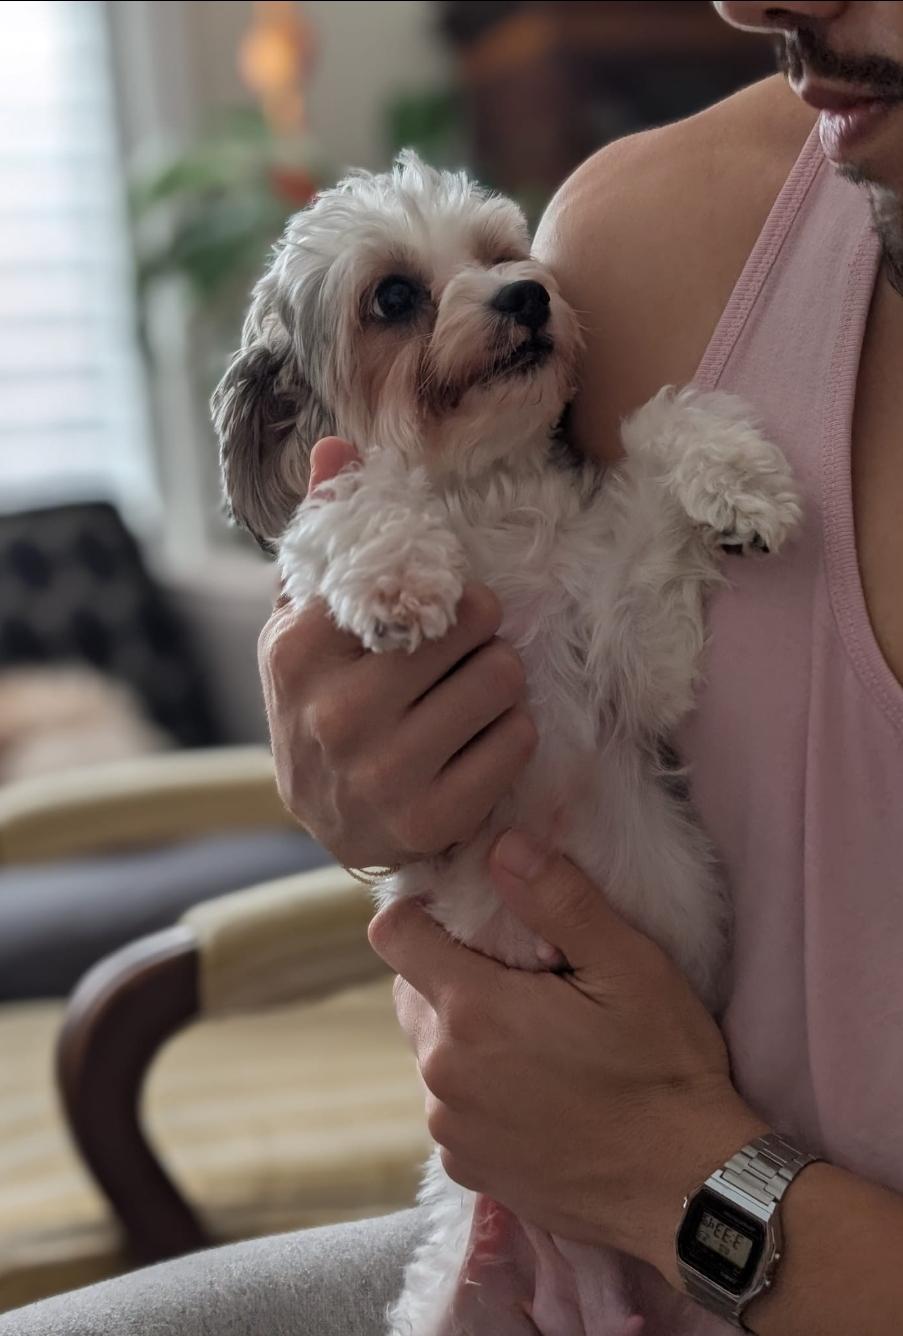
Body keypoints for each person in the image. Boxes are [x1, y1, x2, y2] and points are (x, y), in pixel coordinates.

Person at [7, 2, 903, 1332]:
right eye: (398, 301)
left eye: (496, 264)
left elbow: (637, 657)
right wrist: (351, 772)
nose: (750, 3)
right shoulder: (649, 250)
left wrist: (674, 1166)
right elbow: (626, 677)